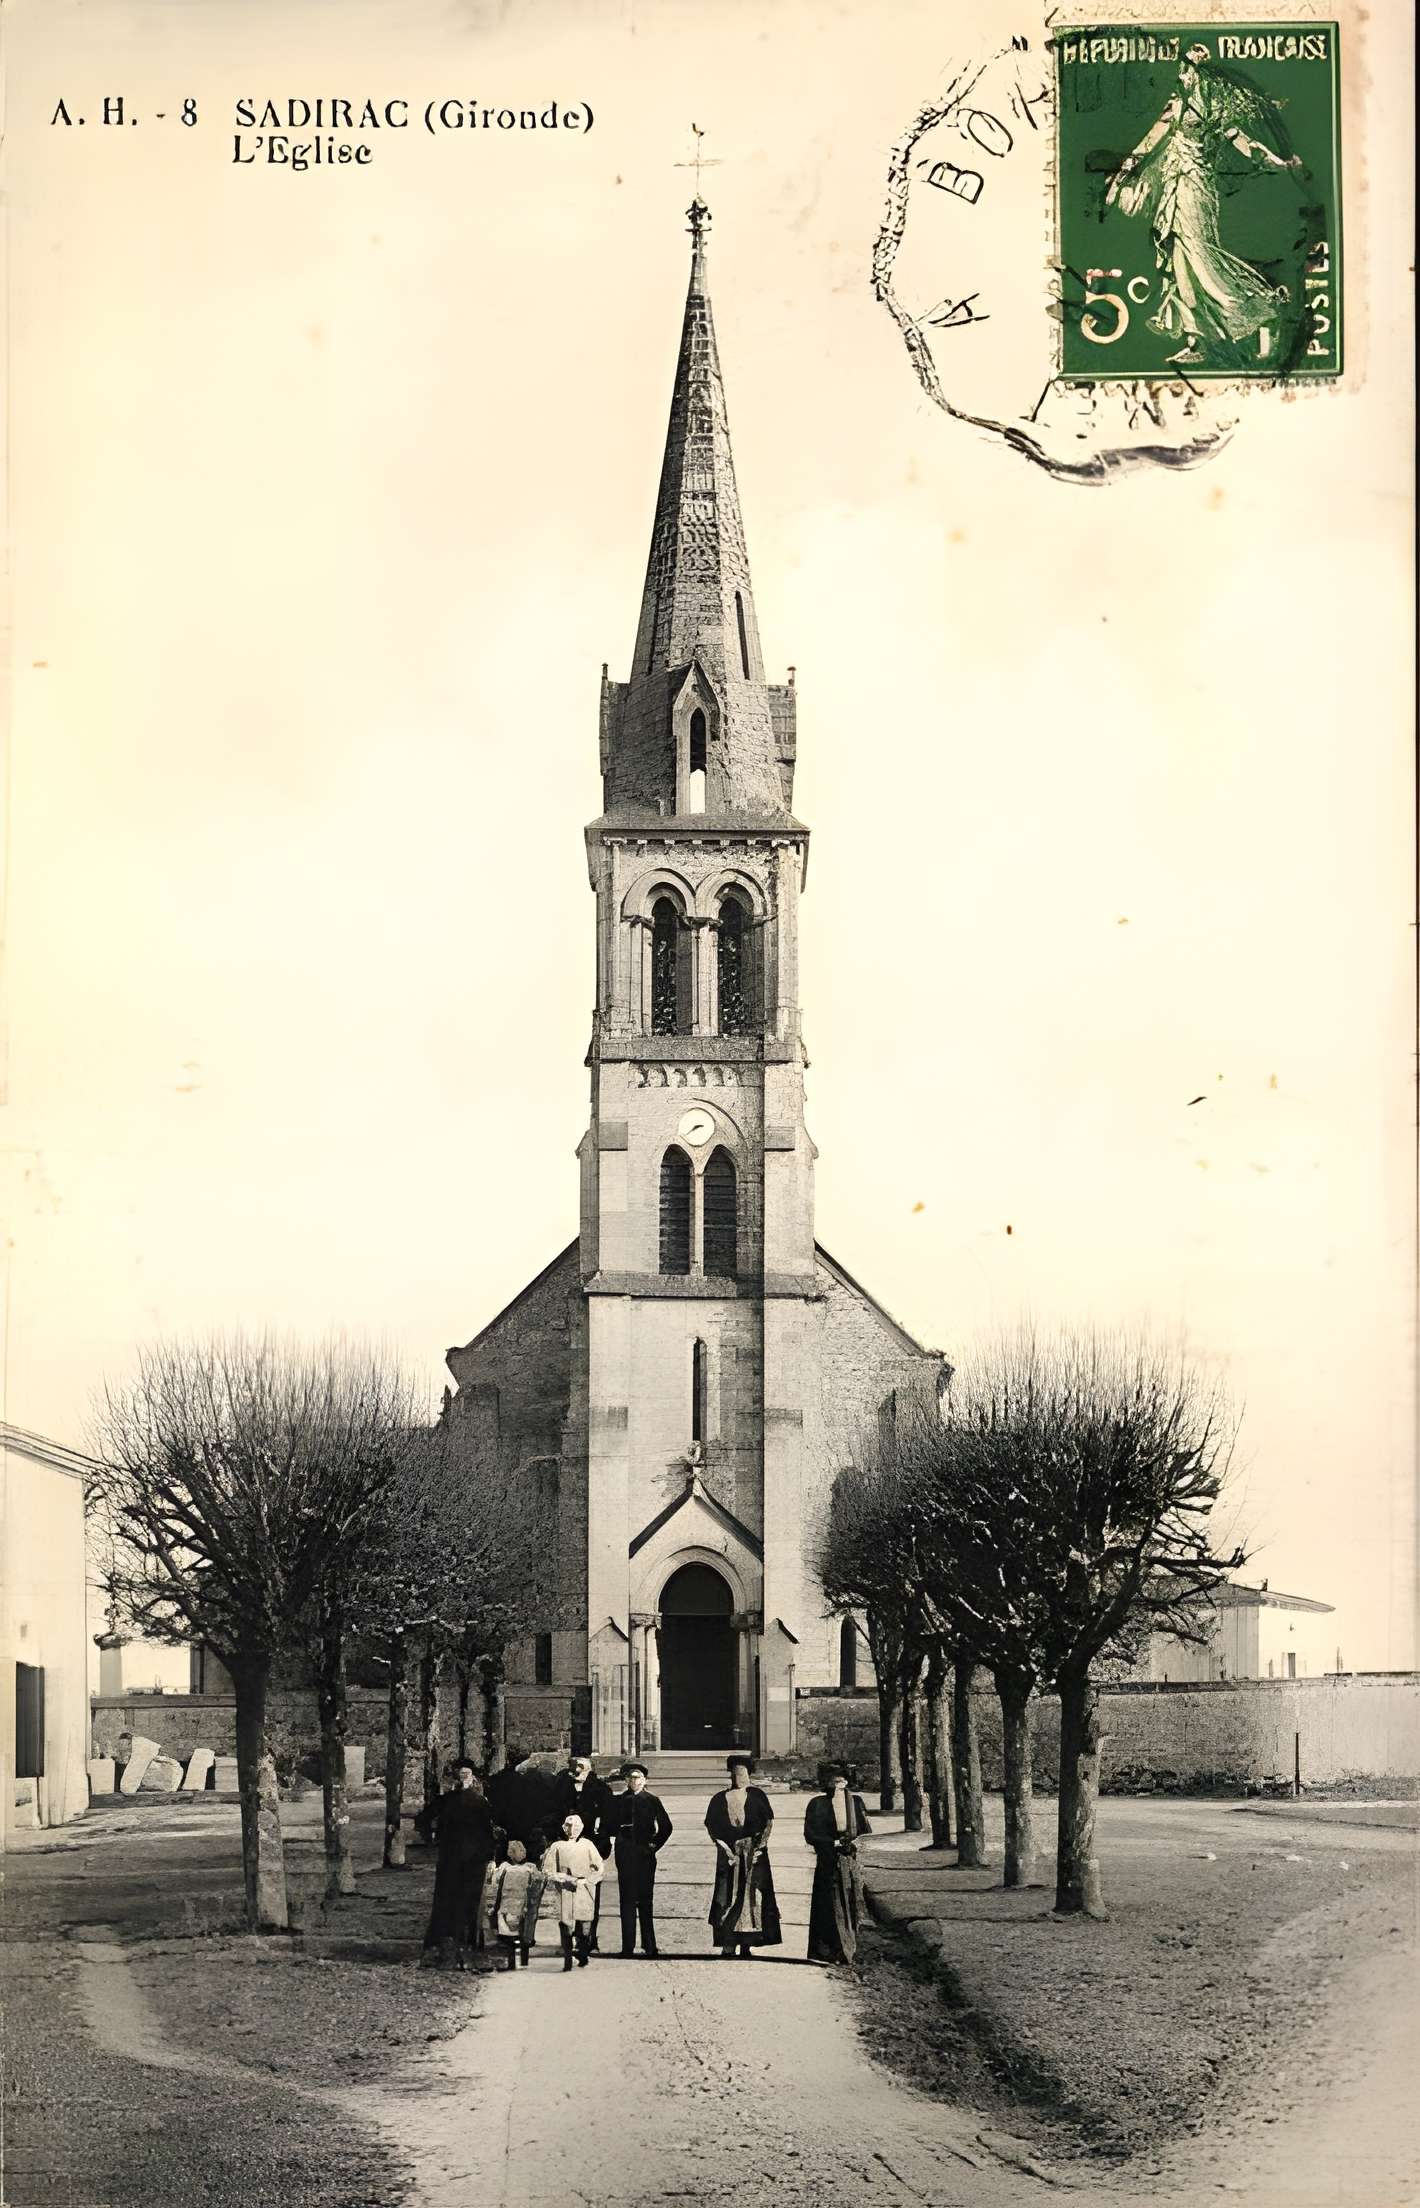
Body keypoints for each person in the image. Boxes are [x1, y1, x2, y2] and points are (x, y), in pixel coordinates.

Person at [1105, 43, 1304, 367]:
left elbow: (1245, 144)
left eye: (1190, 67)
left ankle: (1259, 309)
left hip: (1196, 189)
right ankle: (1196, 338)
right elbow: (1150, 141)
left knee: (1200, 257)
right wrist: (1122, 174)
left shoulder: (1211, 109)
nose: (1183, 73)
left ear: (1200, 72)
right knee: (1180, 260)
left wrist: (1279, 163)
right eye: (1183, 66)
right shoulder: (1177, 104)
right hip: (1175, 185)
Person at [422, 1759, 497, 1970]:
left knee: (460, 1901)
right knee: (457, 1901)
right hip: (459, 1860)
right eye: (463, 1774)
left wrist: (432, 1839)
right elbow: (425, 1819)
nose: (465, 1777)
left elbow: (487, 1831)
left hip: (464, 1860)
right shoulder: (458, 1801)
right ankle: (455, 1946)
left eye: (466, 1774)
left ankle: (460, 1946)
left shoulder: (474, 1802)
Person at [705, 1754, 781, 1958]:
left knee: (751, 1896)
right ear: (730, 1775)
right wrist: (726, 1850)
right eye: (735, 1773)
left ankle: (747, 1943)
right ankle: (728, 1944)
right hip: (729, 1854)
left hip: (753, 1853)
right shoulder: (719, 1798)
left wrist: (759, 1848)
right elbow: (712, 1828)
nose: (738, 1777)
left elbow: (768, 1823)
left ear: (749, 1775)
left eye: (742, 1773)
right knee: (726, 1896)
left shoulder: (757, 1796)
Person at [804, 1762, 873, 1966]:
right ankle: (826, 1951)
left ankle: (849, 1950)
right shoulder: (817, 1804)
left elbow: (865, 1831)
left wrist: (854, 1843)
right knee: (827, 1903)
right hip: (827, 1858)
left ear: (847, 1782)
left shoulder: (856, 1803)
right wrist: (830, 1843)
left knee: (850, 1902)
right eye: (833, 1782)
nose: (837, 1785)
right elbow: (810, 1834)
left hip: (849, 1860)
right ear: (826, 1783)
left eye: (841, 1781)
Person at [551, 1755, 615, 1951]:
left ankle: (588, 1938)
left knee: (589, 1893)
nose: (576, 1769)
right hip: (567, 1849)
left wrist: (602, 1841)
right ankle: (568, 1938)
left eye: (581, 1766)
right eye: (574, 1766)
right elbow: (554, 1813)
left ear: (590, 1769)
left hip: (590, 1848)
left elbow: (609, 1819)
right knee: (566, 1893)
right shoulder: (562, 1788)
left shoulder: (601, 1790)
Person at [611, 1763, 673, 1958]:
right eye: (630, 1777)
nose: (633, 1781)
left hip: (645, 1855)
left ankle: (650, 1945)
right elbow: (610, 1824)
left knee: (645, 1900)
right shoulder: (619, 1801)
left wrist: (653, 1845)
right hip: (625, 1855)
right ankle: (627, 1947)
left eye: (637, 1777)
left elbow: (666, 1827)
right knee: (626, 1900)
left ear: (645, 1780)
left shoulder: (652, 1800)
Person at [541, 1813, 605, 1970]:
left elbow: (599, 1866)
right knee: (566, 1924)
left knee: (584, 1924)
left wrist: (589, 1879)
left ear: (581, 1828)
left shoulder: (587, 1845)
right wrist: (563, 1878)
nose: (572, 1830)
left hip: (584, 1888)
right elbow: (547, 1870)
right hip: (565, 1890)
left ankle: (583, 1953)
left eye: (576, 1826)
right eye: (568, 1826)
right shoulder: (557, 1847)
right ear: (564, 1828)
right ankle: (567, 1956)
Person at [487, 1838, 544, 1971]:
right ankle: (524, 1960)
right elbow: (538, 1885)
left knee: (508, 1937)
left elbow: (496, 1886)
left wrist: (495, 1907)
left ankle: (511, 1962)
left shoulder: (504, 1868)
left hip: (506, 1907)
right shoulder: (531, 1868)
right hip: (523, 1908)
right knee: (523, 1935)